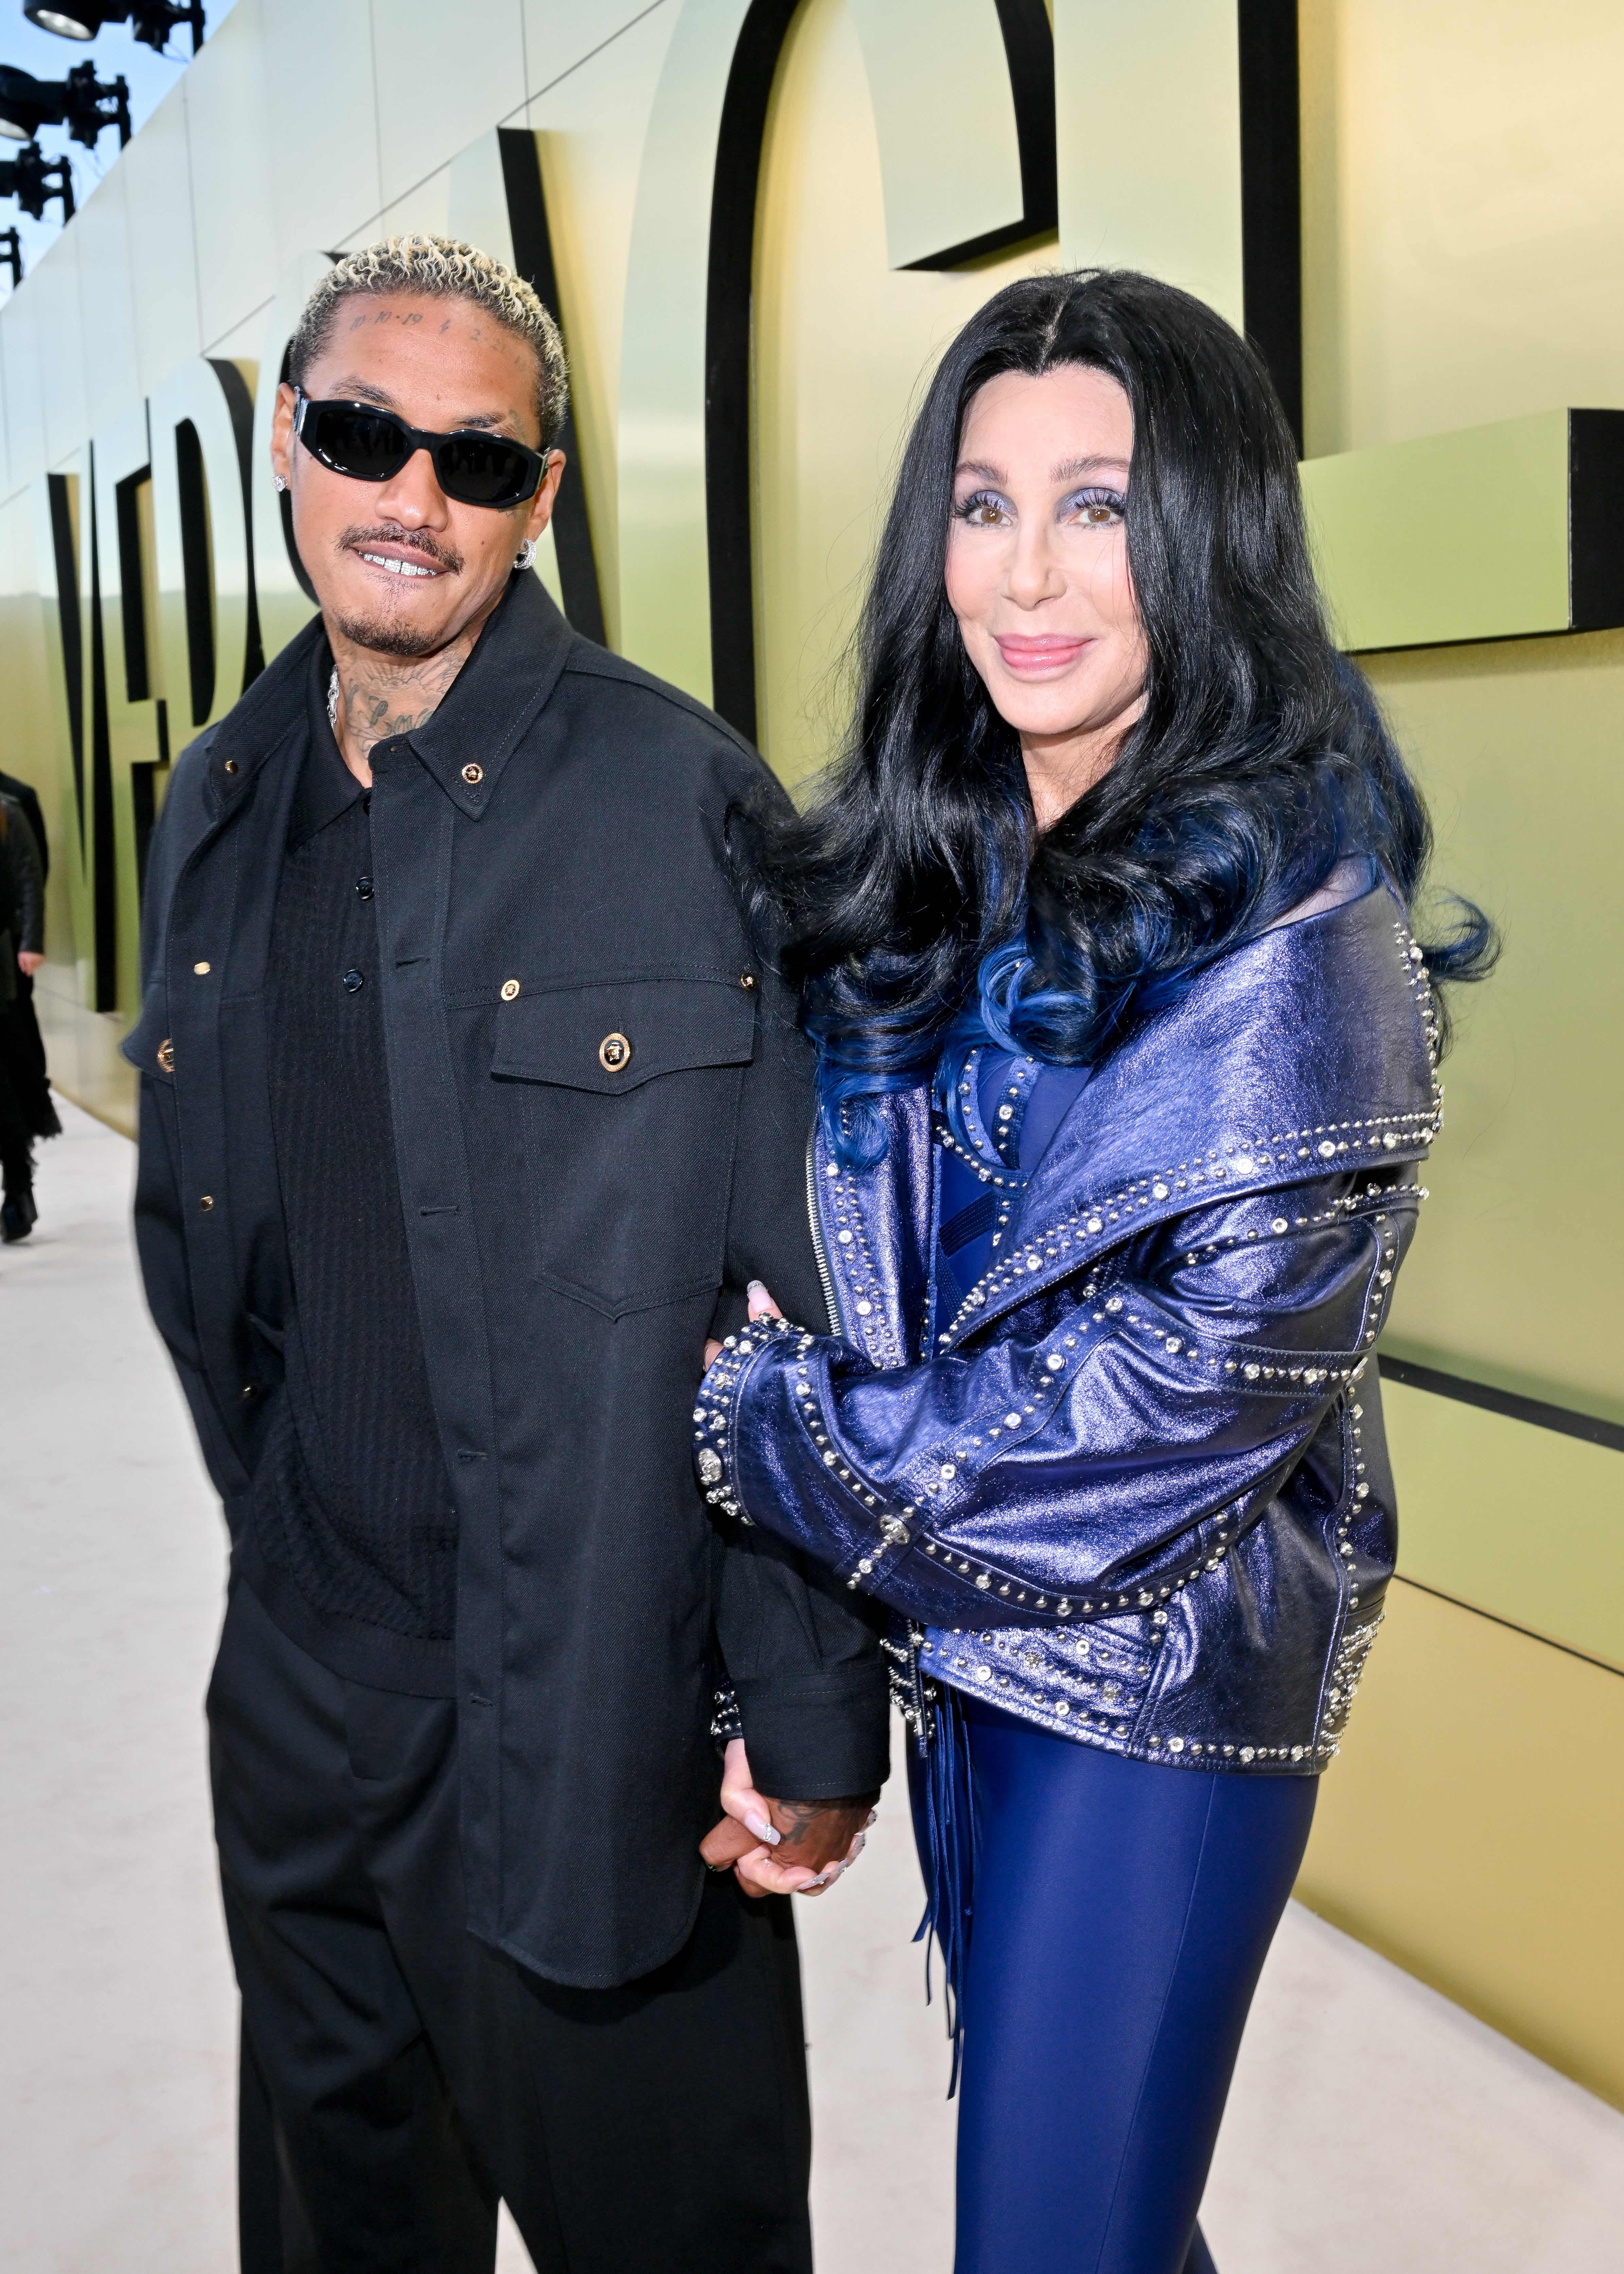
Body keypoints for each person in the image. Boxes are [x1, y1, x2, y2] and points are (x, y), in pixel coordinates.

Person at [694, 269, 1495, 2274]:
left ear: (1209, 537)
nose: (1027, 571)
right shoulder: (944, 876)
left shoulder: (1300, 951)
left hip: (1152, 1700)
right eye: (979, 503)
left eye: (1098, 502)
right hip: (965, 1657)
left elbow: (1143, 1420)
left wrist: (760, 1421)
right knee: (1104, 2222)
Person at [125, 234, 888, 2274]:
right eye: (366, 433)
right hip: (294, 1677)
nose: (414, 496)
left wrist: (806, 1708)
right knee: (341, 2216)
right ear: (290, 442)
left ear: (542, 495)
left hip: (589, 1711)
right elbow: (211, 1241)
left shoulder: (673, 794)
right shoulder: (219, 795)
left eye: (479, 460)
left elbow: (793, 1287)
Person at [0, 786, 51, 1241]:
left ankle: (18, 1188)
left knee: (6, 1085)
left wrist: (31, 942)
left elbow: (29, 879)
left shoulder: (7, 812)